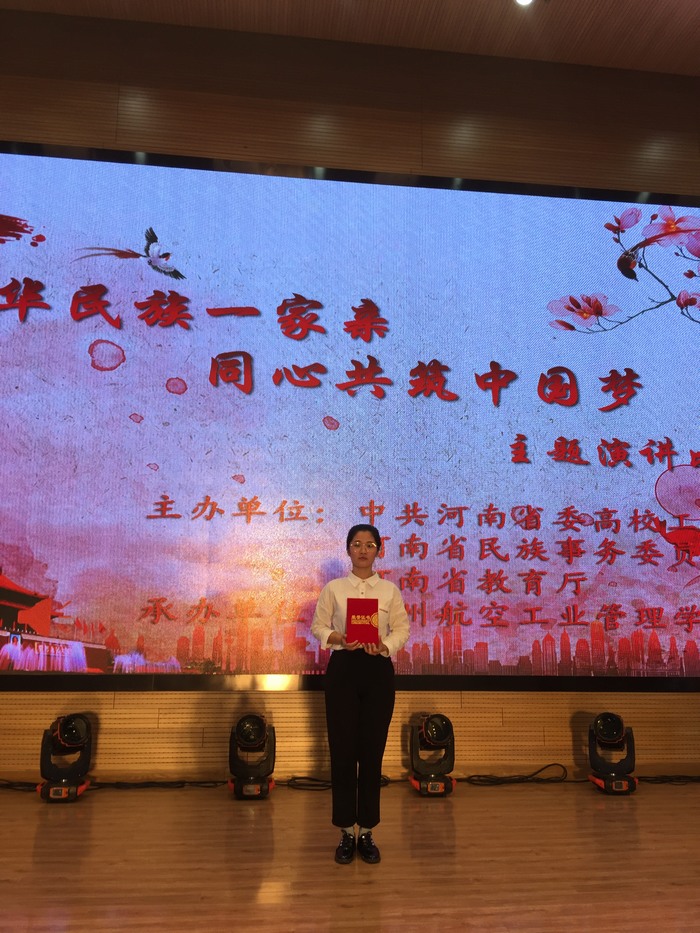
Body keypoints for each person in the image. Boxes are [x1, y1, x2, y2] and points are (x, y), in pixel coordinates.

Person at [311, 523, 410, 864]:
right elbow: (318, 626)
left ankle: (366, 831)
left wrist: (385, 645)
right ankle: (344, 832)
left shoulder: (389, 591)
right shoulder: (334, 589)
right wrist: (338, 638)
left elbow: (402, 629)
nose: (363, 550)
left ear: (379, 550)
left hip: (377, 671)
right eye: (357, 544)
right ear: (348, 550)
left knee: (371, 753)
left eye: (369, 544)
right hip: (343, 670)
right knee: (342, 753)